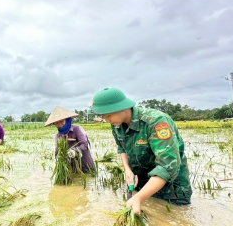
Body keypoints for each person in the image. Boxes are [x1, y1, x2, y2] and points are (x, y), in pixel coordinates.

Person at [90, 87, 192, 215]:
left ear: (121, 107)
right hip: (144, 184)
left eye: (109, 115)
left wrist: (138, 198)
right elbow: (122, 147)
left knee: (176, 223)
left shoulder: (155, 122)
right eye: (104, 117)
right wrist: (127, 169)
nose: (107, 120)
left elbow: (168, 165)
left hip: (171, 190)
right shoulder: (117, 124)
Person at [45, 106, 96, 173]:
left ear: (67, 120)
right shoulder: (58, 136)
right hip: (71, 171)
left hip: (86, 167)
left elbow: (85, 144)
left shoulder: (77, 129)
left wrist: (75, 151)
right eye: (56, 123)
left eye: (61, 121)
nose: (59, 125)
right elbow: (57, 152)